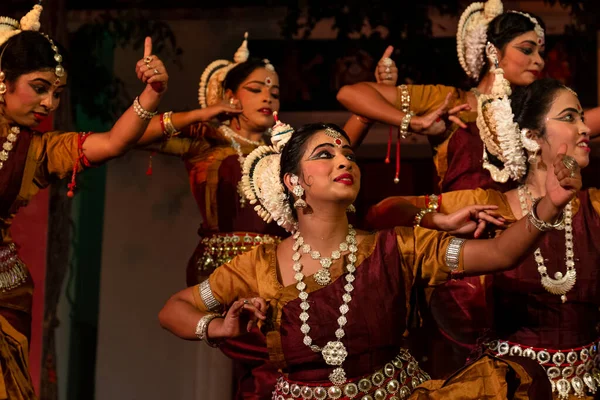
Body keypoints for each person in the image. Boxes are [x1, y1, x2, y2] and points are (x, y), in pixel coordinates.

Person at [158, 113, 580, 398]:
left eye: (348, 155)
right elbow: (174, 309)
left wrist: (551, 205)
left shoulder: (399, 247)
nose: (344, 161)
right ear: (292, 181)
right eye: (325, 155)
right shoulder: (258, 265)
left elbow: (502, 252)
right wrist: (216, 328)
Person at [367, 78, 600, 399]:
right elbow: (379, 214)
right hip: (507, 386)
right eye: (570, 117)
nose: (585, 129)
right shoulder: (489, 206)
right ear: (532, 136)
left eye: (584, 120)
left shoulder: (595, 207)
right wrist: (437, 219)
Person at [0, 5, 169, 398]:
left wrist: (152, 92)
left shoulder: (37, 150)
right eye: (39, 88)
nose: (49, 104)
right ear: (3, 81)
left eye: (56, 94)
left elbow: (113, 142)